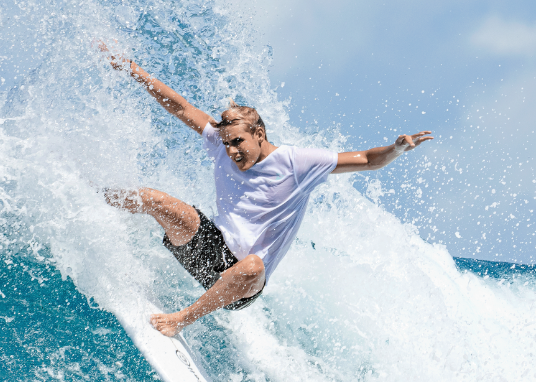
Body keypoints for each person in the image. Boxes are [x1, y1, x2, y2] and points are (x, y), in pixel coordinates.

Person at [100, 46, 433, 337]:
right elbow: (181, 108)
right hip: (208, 251)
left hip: (242, 285)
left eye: (238, 142)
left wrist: (396, 149)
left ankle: (180, 320)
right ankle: (91, 199)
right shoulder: (221, 144)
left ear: (259, 134)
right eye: (226, 143)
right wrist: (131, 68)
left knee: (252, 265)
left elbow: (367, 160)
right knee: (154, 199)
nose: (231, 151)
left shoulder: (298, 163)